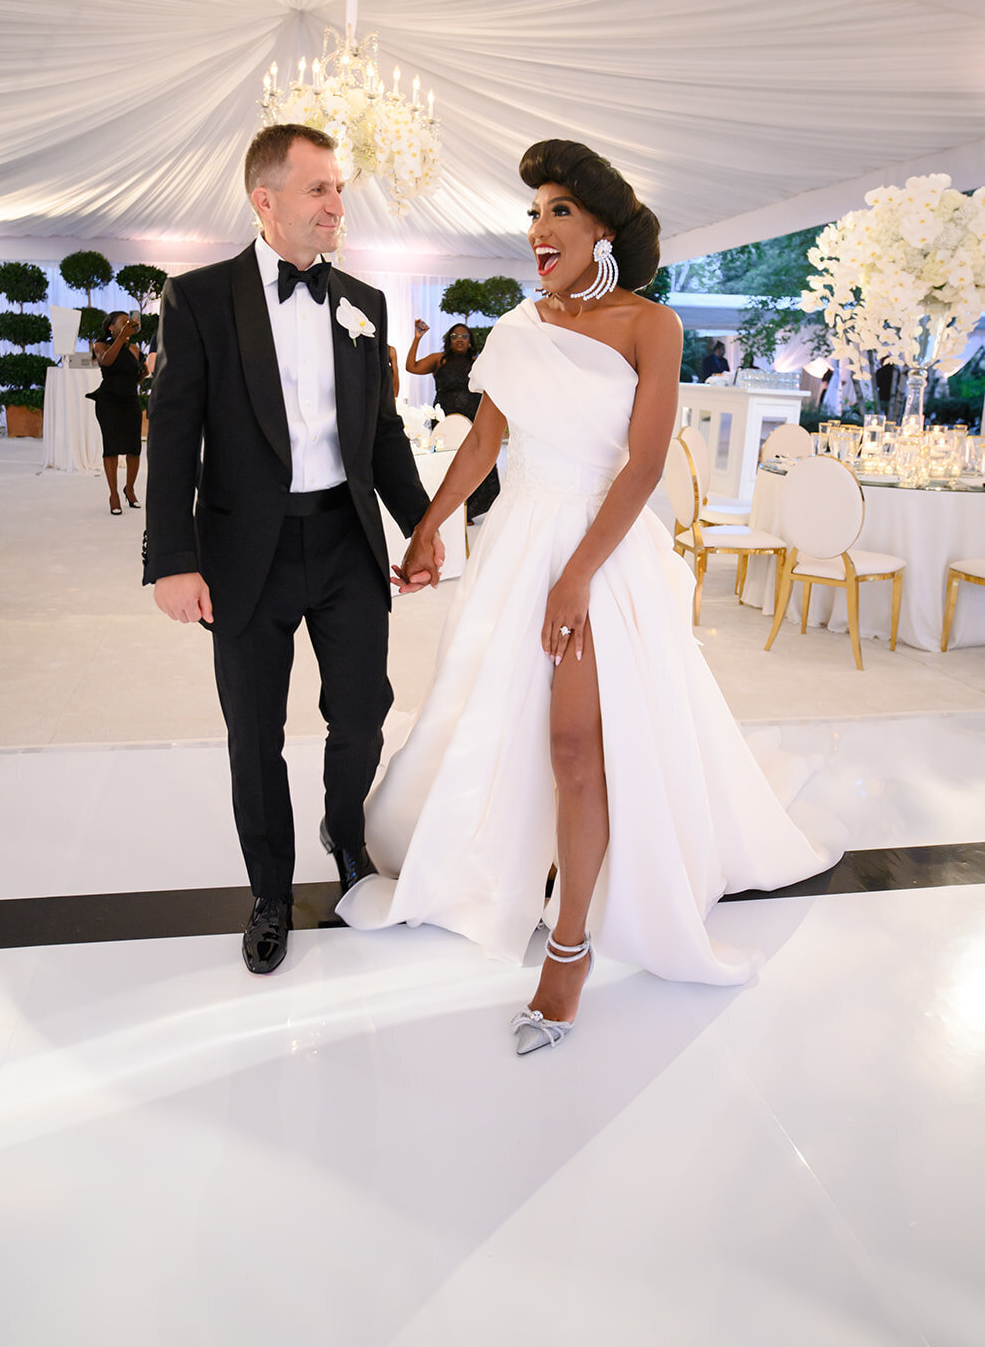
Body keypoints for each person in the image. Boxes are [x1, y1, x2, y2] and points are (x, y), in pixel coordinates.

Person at [339, 139, 841, 1054]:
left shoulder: (651, 324)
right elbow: (485, 442)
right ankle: (527, 870)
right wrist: (428, 525)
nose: (537, 229)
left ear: (603, 227)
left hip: (600, 553)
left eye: (558, 210)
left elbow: (645, 464)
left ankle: (567, 947)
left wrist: (575, 578)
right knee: (507, 722)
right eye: (532, 213)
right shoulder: (517, 326)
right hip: (516, 544)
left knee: (578, 743)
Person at [143, 123, 437, 976]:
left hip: (344, 543)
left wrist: (418, 527)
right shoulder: (198, 298)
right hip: (243, 553)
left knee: (359, 714)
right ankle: (270, 890)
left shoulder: (364, 302)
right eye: (318, 189)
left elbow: (380, 435)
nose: (336, 205)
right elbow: (172, 435)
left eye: (340, 188)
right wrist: (171, 558)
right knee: (254, 734)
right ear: (264, 200)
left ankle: (345, 839)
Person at [407, 319, 500, 521]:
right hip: (445, 420)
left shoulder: (478, 361)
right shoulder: (439, 360)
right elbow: (412, 367)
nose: (459, 340)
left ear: (470, 341)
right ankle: (448, 510)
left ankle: (468, 510)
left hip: (473, 418)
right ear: (449, 340)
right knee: (448, 462)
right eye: (455, 336)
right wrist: (417, 338)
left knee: (474, 461)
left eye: (464, 336)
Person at [88, 311, 145, 514]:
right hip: (108, 402)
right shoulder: (100, 346)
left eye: (128, 322)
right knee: (111, 448)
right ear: (111, 328)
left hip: (130, 402)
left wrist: (144, 374)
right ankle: (114, 495)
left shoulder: (134, 349)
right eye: (122, 322)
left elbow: (132, 379)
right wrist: (121, 338)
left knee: (134, 448)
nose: (127, 324)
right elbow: (107, 362)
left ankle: (129, 489)